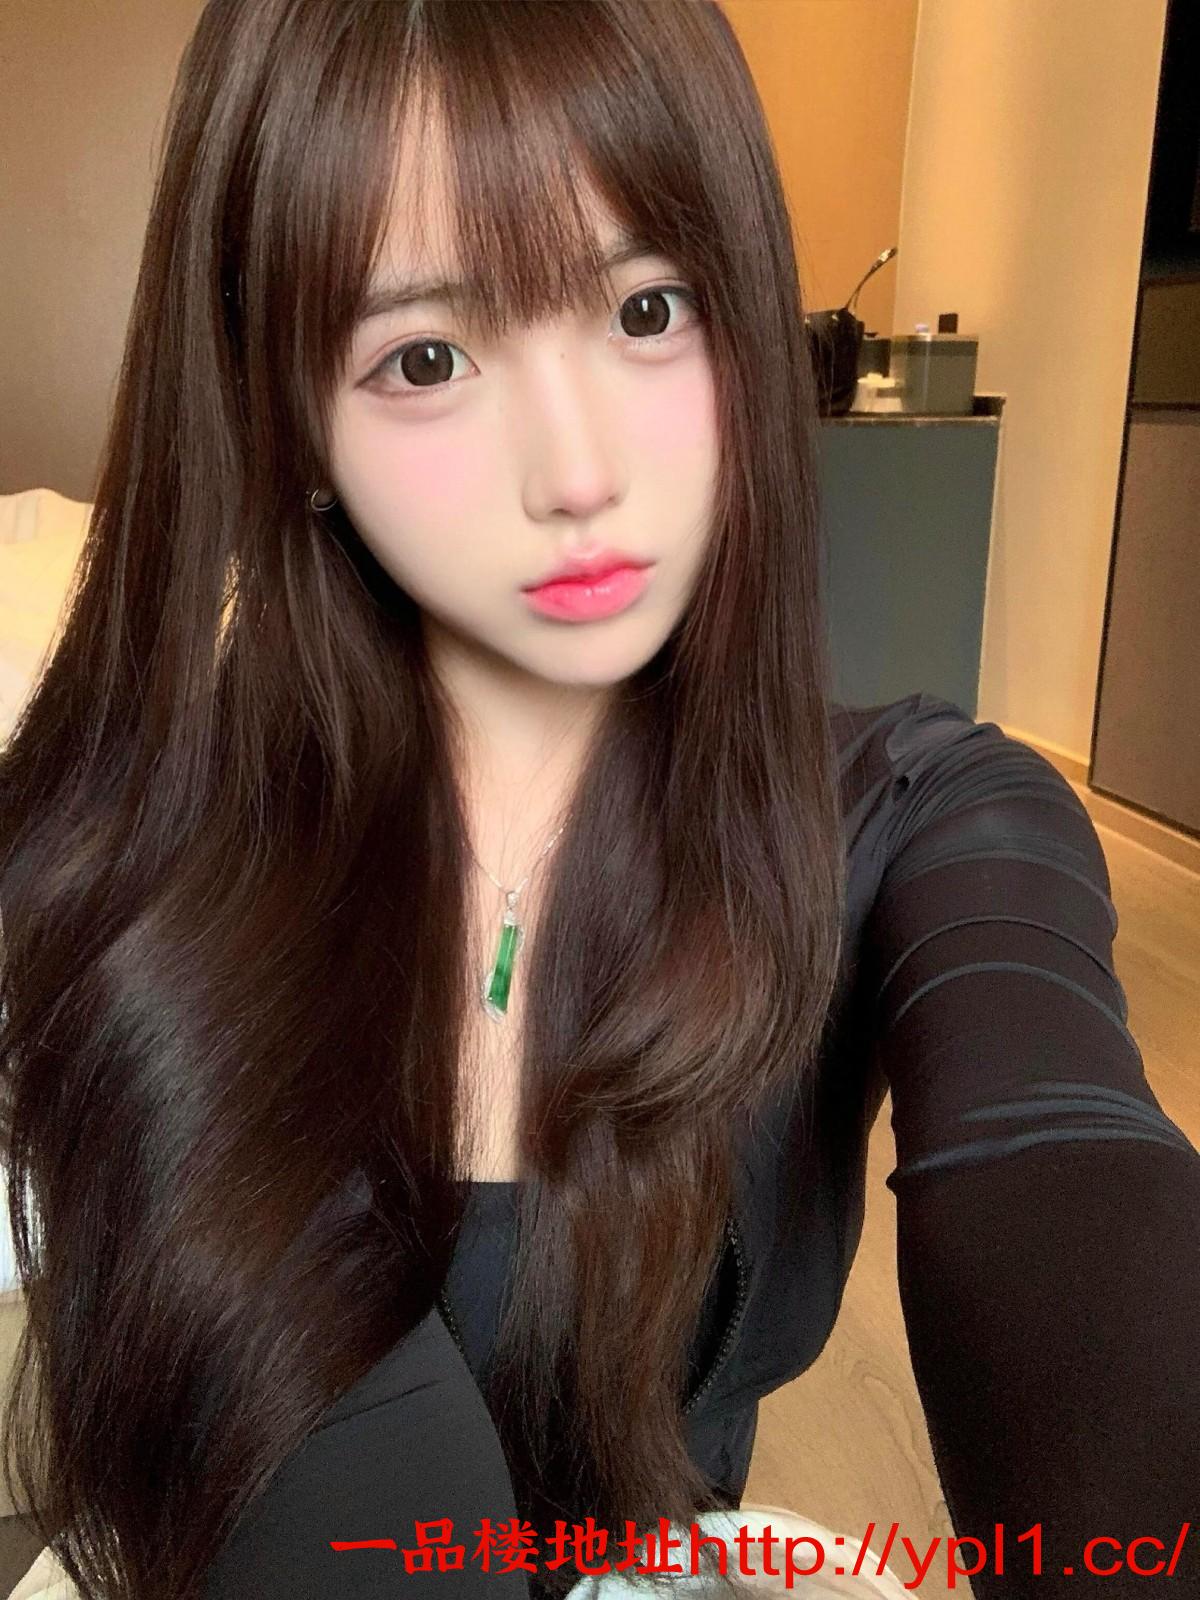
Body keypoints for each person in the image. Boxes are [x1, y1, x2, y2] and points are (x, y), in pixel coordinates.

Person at [1, 3, 1197, 1599]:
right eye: (428, 357)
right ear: (291, 424)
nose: (577, 473)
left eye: (648, 308)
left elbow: (1070, 1183)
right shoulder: (148, 862)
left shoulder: (920, 815)